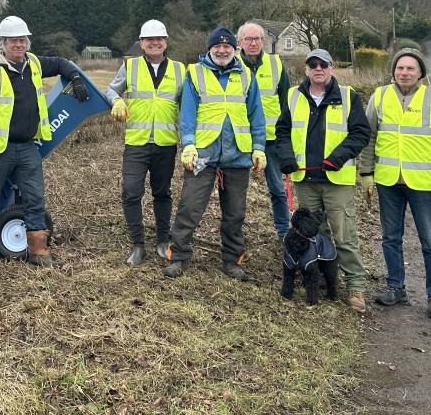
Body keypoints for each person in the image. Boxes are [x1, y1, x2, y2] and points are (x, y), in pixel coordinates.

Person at [0, 15, 90, 269]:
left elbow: (60, 63)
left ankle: (38, 252)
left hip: (27, 147)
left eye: (22, 40)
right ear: (3, 43)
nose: (18, 45)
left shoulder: (33, 63)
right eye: (13, 40)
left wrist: (75, 77)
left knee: (35, 198)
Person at [357, 47, 431, 320]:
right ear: (393, 71)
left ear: (420, 73)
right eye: (400, 67)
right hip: (388, 181)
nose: (404, 72)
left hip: (424, 184)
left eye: (410, 68)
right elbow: (368, 138)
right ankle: (395, 287)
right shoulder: (379, 97)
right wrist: (366, 173)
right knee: (391, 238)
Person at [164, 27, 267, 280]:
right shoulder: (195, 73)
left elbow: (256, 113)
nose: (222, 50)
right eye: (217, 47)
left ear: (235, 48)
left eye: (227, 47)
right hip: (203, 153)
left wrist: (259, 147)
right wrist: (188, 143)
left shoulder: (246, 75)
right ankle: (178, 256)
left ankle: (232, 260)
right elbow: (187, 112)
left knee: (235, 212)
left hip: (238, 154)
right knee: (190, 206)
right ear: (209, 49)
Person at [274, 48, 370, 313]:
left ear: (331, 68)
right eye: (312, 64)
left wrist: (339, 156)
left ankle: (355, 286)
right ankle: (325, 280)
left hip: (336, 179)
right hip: (305, 178)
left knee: (344, 234)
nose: (318, 69)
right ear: (306, 69)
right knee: (315, 236)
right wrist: (285, 156)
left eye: (323, 64)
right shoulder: (294, 96)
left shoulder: (349, 97)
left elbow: (360, 133)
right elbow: (282, 131)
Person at [105, 19, 184, 266]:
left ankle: (162, 240)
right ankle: (138, 245)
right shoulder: (130, 67)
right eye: (149, 40)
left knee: (162, 193)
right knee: (130, 192)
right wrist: (117, 101)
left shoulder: (181, 70)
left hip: (165, 142)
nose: (154, 43)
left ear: (166, 43)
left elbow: (190, 104)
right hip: (137, 143)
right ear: (141, 43)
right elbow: (111, 90)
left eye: (159, 39)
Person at [237, 22, 292, 239]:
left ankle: (284, 232)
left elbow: (287, 101)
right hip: (241, 138)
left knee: (278, 188)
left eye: (257, 39)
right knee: (236, 191)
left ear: (263, 41)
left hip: (271, 139)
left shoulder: (276, 64)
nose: (253, 43)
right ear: (239, 43)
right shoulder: (231, 64)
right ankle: (235, 234)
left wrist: (286, 135)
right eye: (248, 39)